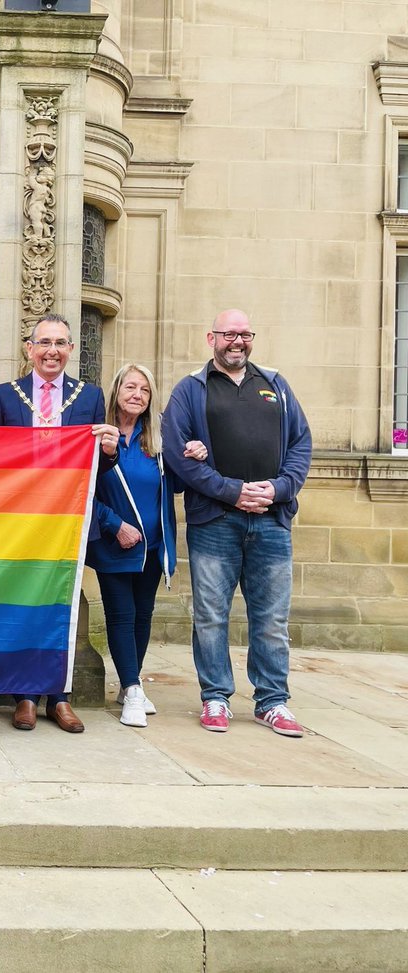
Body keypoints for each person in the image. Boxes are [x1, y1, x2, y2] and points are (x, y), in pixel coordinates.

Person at [162, 309, 312, 737]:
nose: (237, 341)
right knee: (211, 615)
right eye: (229, 334)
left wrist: (280, 489)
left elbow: (301, 443)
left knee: (271, 619)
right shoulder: (191, 390)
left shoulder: (275, 385)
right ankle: (215, 697)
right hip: (215, 522)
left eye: (245, 334)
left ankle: (272, 701)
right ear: (211, 337)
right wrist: (232, 491)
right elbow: (177, 454)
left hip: (271, 520)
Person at [0, 312, 120, 734]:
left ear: (71, 350)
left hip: (67, 520)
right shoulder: (6, 395)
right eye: (44, 343)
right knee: (23, 602)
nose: (52, 351)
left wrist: (112, 451)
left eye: (61, 343)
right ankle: (24, 695)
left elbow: (96, 465)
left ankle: (59, 697)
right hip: (21, 520)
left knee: (63, 604)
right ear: (29, 349)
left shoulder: (89, 396)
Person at [85, 363, 178, 728]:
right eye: (130, 387)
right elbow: (82, 489)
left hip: (153, 548)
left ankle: (130, 684)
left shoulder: (156, 439)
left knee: (143, 615)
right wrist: (112, 523)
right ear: (116, 391)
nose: (137, 395)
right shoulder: (99, 434)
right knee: (121, 616)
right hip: (115, 545)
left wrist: (199, 452)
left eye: (144, 390)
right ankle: (132, 688)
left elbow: (177, 485)